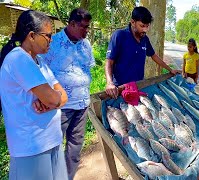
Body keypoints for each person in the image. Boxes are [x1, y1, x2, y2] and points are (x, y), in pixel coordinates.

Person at [0, 10, 68, 179]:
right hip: (31, 148)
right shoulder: (18, 59)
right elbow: (54, 97)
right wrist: (53, 100)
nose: (51, 40)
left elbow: (63, 96)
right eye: (48, 36)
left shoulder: (39, 61)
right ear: (31, 36)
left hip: (50, 141)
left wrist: (51, 103)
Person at [41, 8, 95, 180]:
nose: (87, 31)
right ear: (72, 24)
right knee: (53, 148)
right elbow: (40, 72)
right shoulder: (52, 43)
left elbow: (88, 69)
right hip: (61, 107)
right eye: (84, 27)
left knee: (75, 149)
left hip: (82, 105)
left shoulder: (86, 45)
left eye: (88, 27)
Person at [105, 6, 179, 99]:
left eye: (147, 26)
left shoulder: (145, 39)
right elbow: (109, 61)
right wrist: (109, 83)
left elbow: (154, 56)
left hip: (138, 86)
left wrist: (170, 69)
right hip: (119, 89)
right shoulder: (120, 35)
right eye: (142, 26)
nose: (145, 30)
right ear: (132, 22)